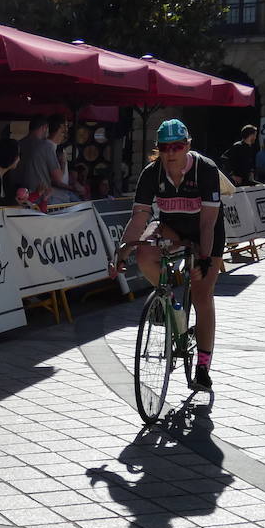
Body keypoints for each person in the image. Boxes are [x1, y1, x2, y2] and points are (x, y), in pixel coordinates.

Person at [109, 118, 224, 392]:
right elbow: (139, 218)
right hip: (172, 228)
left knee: (201, 293)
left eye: (178, 146)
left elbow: (208, 223)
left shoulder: (205, 170)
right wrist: (122, 253)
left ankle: (203, 365)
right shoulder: (152, 173)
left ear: (188, 146)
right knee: (145, 252)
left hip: (205, 233)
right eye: (165, 147)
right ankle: (170, 301)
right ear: (158, 148)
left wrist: (205, 259)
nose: (171, 153)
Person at [16, 115, 56, 201]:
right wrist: (63, 163)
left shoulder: (18, 144)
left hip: (19, 194)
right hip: (41, 196)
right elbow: (58, 176)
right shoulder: (46, 146)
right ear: (44, 127)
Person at [46, 114, 80, 203]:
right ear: (61, 127)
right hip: (54, 198)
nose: (67, 128)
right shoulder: (48, 148)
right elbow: (55, 180)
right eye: (66, 125)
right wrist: (72, 188)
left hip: (62, 197)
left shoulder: (56, 147)